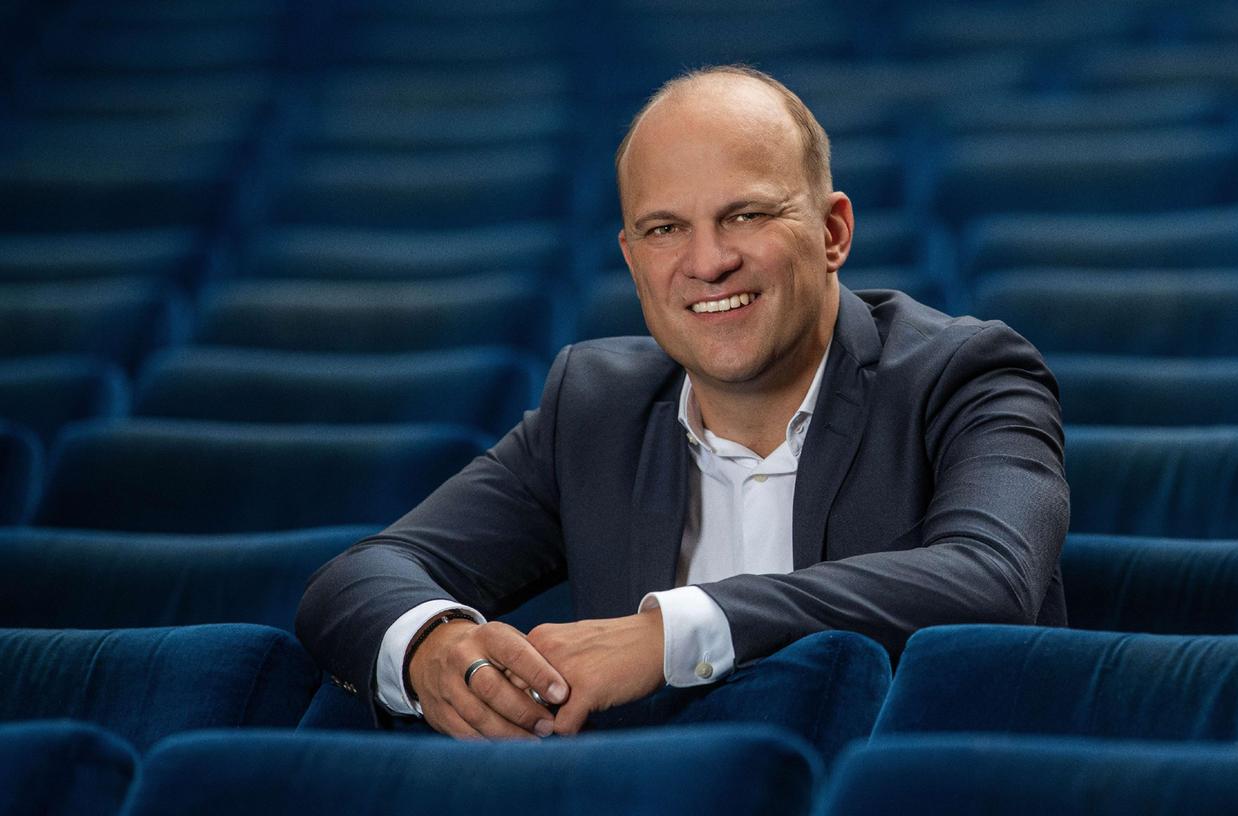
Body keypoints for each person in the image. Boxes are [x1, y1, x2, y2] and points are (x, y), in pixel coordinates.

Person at [296, 65, 1069, 743]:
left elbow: (989, 581)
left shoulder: (968, 375)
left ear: (833, 232)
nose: (707, 262)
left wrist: (669, 633)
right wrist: (434, 645)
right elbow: (362, 576)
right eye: (665, 229)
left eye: (746, 215)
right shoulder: (594, 410)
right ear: (633, 261)